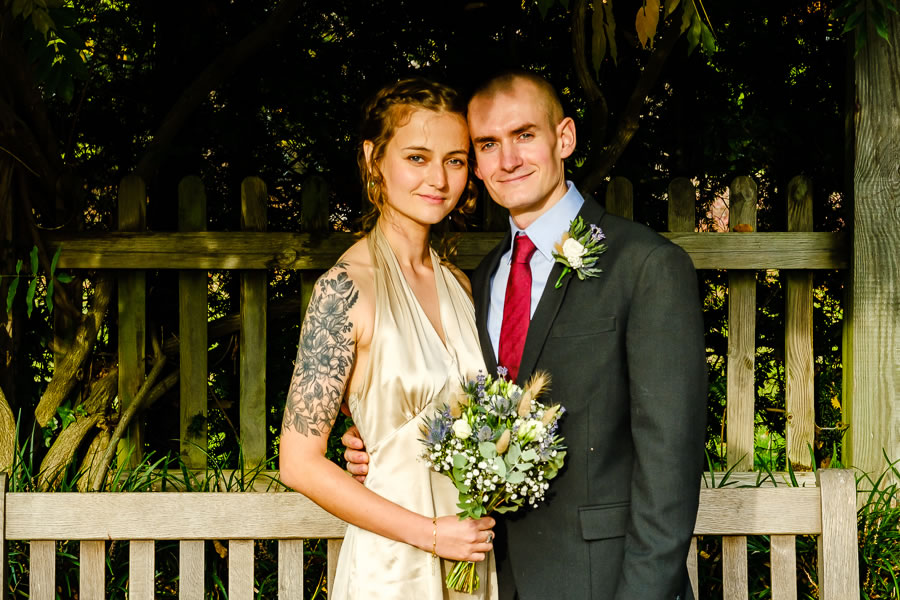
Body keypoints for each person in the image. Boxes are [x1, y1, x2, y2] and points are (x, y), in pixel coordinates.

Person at [344, 69, 708, 600]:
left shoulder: (645, 266)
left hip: (602, 582)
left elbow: (670, 465)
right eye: (488, 144)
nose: (508, 160)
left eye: (524, 135)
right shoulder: (476, 282)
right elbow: (455, 409)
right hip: (487, 578)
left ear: (565, 138)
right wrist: (379, 444)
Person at [279, 78, 497, 600]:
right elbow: (298, 463)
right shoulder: (344, 289)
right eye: (417, 158)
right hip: (395, 566)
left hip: (469, 553)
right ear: (374, 159)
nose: (438, 179)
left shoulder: (460, 286)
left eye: (455, 161)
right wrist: (432, 534)